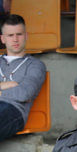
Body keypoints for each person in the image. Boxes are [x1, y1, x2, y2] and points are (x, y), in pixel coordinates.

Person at [0, 14, 46, 142]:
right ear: (3, 39)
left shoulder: (35, 65)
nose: (15, 39)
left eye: (19, 34)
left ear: (26, 36)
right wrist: (6, 85)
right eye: (10, 35)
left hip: (13, 111)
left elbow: (24, 93)